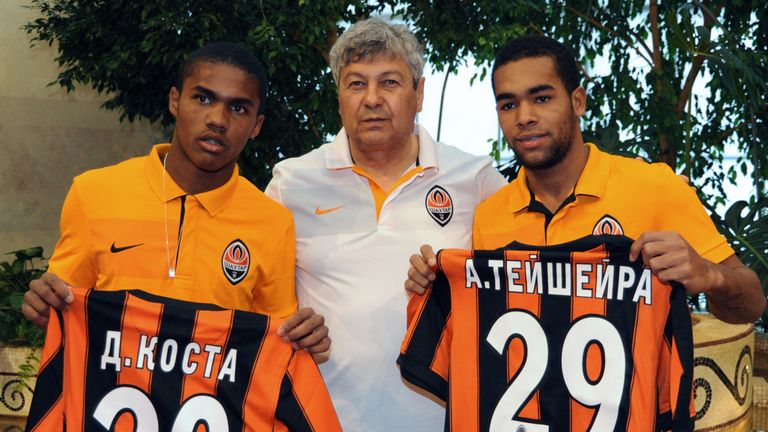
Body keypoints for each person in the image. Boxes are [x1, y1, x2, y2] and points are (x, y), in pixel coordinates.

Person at [406, 34, 766, 324]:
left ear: (577, 101)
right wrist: (436, 288)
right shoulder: (491, 215)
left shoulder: (654, 188)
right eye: (508, 104)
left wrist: (710, 275)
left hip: (639, 416)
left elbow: (751, 304)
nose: (525, 117)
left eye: (542, 98)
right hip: (527, 417)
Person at [265, 18, 507, 431]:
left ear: (420, 93)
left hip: (447, 420)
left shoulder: (477, 179)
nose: (372, 99)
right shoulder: (291, 183)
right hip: (322, 420)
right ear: (339, 96)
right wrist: (290, 329)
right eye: (356, 84)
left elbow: (530, 278)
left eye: (390, 83)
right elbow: (257, 299)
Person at [22, 42, 330, 353]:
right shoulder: (93, 192)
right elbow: (66, 304)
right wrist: (45, 306)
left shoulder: (272, 222)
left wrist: (304, 340)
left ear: (256, 126)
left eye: (238, 108)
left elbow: (274, 342)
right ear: (175, 101)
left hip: (214, 402)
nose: (218, 120)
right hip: (110, 400)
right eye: (203, 98)